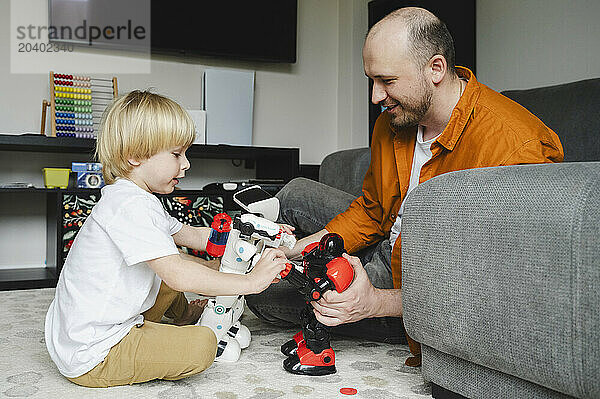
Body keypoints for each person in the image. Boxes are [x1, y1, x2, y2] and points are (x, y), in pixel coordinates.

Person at [246, 7, 564, 367]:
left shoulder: (517, 149)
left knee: (263, 295)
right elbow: (373, 210)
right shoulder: (392, 122)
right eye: (371, 80)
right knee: (296, 198)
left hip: (418, 275)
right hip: (387, 239)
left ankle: (385, 321)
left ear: (436, 69)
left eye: (387, 81)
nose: (375, 97)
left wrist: (374, 302)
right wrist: (297, 251)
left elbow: (496, 286)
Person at [44, 90, 289, 387]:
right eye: (176, 154)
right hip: (95, 353)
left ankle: (183, 316)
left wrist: (256, 233)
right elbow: (179, 274)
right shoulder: (131, 206)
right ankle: (176, 330)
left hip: (86, 333)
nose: (186, 164)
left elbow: (196, 236)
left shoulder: (135, 197)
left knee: (168, 269)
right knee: (203, 344)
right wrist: (252, 283)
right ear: (134, 155)